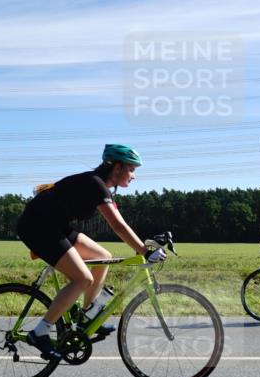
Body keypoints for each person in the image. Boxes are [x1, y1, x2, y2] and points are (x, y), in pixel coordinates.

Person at [16, 144, 161, 360]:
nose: (134, 176)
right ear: (118, 167)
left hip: (56, 225)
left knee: (103, 258)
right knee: (82, 278)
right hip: (38, 227)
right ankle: (40, 332)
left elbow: (121, 222)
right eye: (132, 169)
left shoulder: (100, 186)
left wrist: (146, 244)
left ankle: (86, 317)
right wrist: (143, 251)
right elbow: (118, 226)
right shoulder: (95, 184)